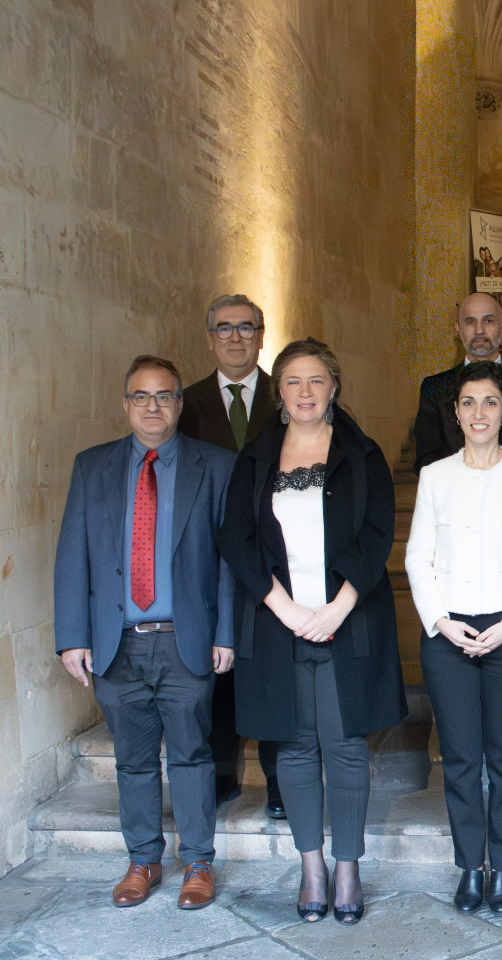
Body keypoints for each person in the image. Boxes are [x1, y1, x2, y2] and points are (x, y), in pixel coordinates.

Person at [218, 339, 407, 926]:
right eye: (293, 382)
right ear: (280, 392)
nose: (305, 392)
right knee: (294, 747)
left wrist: (336, 605)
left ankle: (347, 864)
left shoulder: (363, 454)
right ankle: (311, 866)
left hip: (347, 621)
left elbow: (377, 536)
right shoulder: (254, 459)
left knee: (347, 746)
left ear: (334, 387)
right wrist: (286, 608)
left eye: (316, 380)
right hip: (278, 624)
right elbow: (236, 541)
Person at [53, 355, 235, 911]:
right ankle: (143, 860)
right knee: (131, 760)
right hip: (116, 641)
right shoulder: (93, 467)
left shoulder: (216, 466)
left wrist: (224, 632)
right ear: (125, 404)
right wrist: (71, 637)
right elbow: (72, 555)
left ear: (180, 403)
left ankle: (198, 863)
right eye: (140, 396)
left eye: (163, 396)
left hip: (185, 638)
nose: (152, 406)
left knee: (191, 754)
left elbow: (230, 561)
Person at [405, 361, 502, 916]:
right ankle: (470, 866)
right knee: (462, 759)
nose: (479, 413)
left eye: (489, 402)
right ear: (457, 412)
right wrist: (440, 621)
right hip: (447, 632)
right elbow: (418, 555)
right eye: (468, 403)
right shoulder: (435, 476)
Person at [178, 294, 284, 818]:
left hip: (275, 556)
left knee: (272, 668)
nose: (236, 338)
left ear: (263, 335)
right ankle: (222, 773)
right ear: (210, 337)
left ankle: (282, 781)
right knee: (213, 671)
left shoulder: (287, 393)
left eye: (247, 328)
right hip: (208, 555)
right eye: (225, 329)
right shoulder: (185, 402)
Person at [413, 292, 502, 471]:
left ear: (501, 328)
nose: (479, 330)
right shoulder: (434, 388)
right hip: (453, 495)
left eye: (488, 321)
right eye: (470, 322)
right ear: (458, 328)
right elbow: (426, 459)